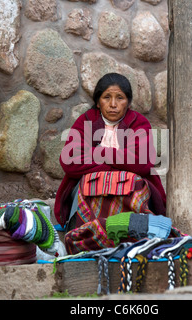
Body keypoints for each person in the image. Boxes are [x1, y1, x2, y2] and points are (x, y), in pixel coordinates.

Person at [54, 73, 167, 254]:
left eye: (120, 98)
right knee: (89, 183)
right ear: (98, 102)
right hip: (88, 192)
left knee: (133, 182)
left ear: (128, 103)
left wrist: (99, 153)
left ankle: (134, 234)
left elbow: (142, 164)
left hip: (131, 190)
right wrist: (119, 163)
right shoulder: (86, 122)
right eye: (107, 97)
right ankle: (85, 236)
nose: (113, 104)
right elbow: (70, 162)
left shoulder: (139, 123)